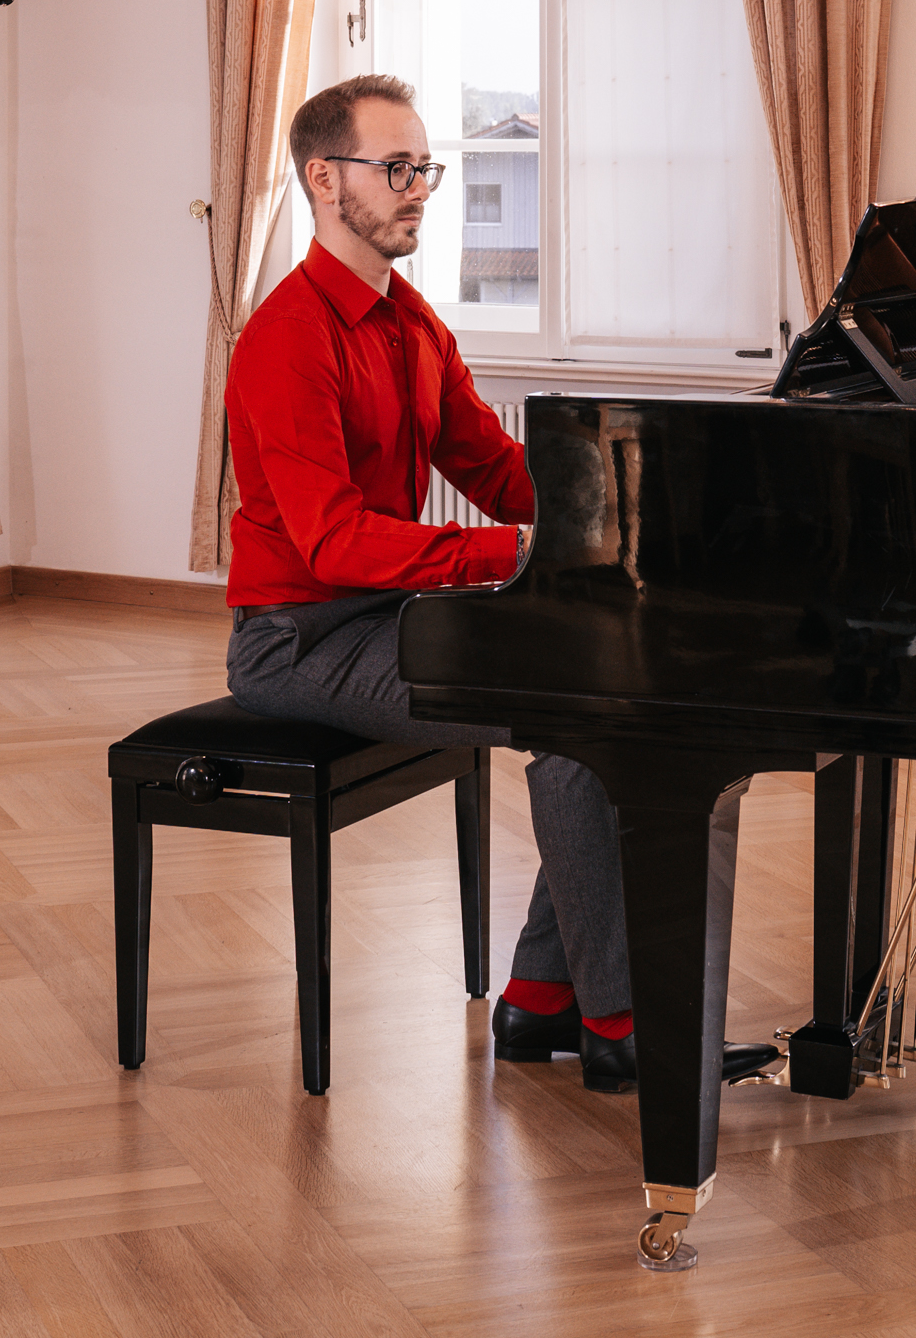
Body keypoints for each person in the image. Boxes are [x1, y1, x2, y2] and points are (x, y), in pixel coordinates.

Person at [221, 73, 775, 1093]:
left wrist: (632, 507)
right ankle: (617, 1022)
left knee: (605, 690)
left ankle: (543, 999)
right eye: (395, 169)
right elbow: (334, 544)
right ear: (324, 179)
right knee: (572, 712)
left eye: (423, 168)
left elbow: (498, 469)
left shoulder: (411, 323)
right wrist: (513, 557)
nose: (418, 190)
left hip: (389, 613)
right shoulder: (286, 339)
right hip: (297, 640)